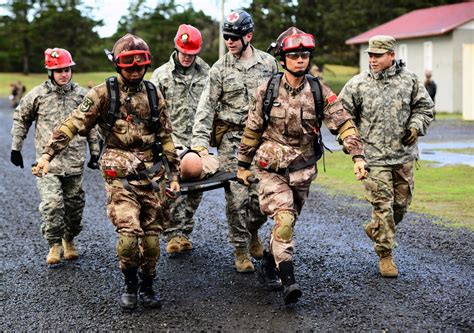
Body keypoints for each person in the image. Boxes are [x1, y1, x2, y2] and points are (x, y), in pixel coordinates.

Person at [32, 34, 180, 310]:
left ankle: (147, 285)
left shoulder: (153, 93)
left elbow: (166, 135)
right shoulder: (103, 93)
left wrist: (174, 175)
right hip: (120, 176)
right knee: (127, 236)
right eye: (128, 65)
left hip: (152, 175)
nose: (135, 70)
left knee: (151, 241)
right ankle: (130, 285)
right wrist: (47, 155)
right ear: (117, 65)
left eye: (140, 65)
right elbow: (72, 125)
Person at [236, 27, 367, 305]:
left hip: (303, 170)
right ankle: (289, 282)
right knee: (283, 219)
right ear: (283, 58)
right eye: (294, 56)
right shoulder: (267, 90)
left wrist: (357, 157)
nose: (300, 61)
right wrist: (242, 165)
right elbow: (252, 129)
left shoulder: (319, 90)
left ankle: (269, 265)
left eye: (304, 56)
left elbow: (343, 124)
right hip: (270, 169)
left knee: (287, 223)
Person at [339, 35, 434, 278]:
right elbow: (341, 117)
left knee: (399, 207)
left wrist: (415, 127)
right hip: (373, 158)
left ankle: (376, 228)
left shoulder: (410, 80)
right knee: (383, 207)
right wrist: (353, 147)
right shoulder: (357, 84)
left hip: (403, 156)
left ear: (391, 55)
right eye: (370, 55)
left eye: (378, 55)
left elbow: (425, 108)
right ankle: (385, 255)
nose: (372, 59)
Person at [191, 10, 278, 273]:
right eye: (226, 36)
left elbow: (278, 102)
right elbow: (206, 106)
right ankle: (241, 249)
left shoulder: (269, 64)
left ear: (248, 36)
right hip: (232, 141)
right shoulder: (220, 68)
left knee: (263, 198)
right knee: (237, 199)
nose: (229, 41)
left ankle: (252, 231)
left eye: (234, 37)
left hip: (263, 141)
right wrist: (199, 143)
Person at [10, 48, 100, 266]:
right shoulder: (38, 95)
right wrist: (16, 148)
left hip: (74, 163)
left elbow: (91, 125)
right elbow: (21, 119)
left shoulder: (82, 95)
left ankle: (69, 240)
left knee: (74, 207)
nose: (64, 74)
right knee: (52, 205)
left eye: (67, 70)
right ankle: (54, 245)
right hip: (47, 163)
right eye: (59, 70)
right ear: (50, 72)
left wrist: (95, 152)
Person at [150, 24, 211, 254]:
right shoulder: (161, 75)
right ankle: (174, 233)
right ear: (176, 48)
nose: (187, 57)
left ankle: (184, 231)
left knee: (196, 185)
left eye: (191, 53)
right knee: (173, 186)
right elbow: (153, 113)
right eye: (183, 52)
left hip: (198, 141)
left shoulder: (207, 74)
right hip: (171, 142)